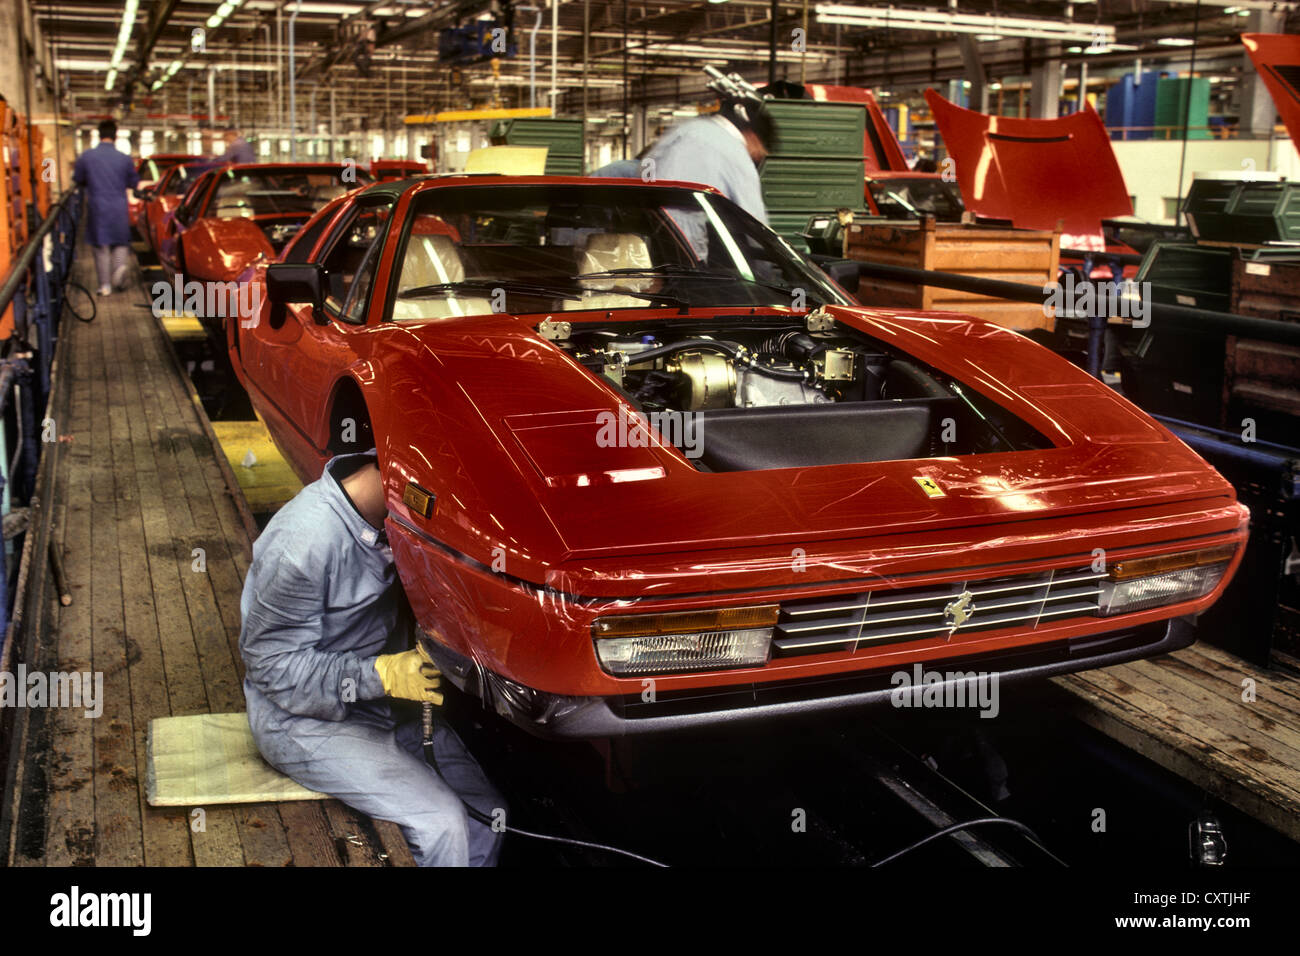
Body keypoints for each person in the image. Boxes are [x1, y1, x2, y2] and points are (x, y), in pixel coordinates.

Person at [239, 450, 505, 867]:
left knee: (486, 820)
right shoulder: (304, 541)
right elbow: (271, 667)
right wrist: (379, 674)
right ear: (410, 484)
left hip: (386, 706)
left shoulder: (393, 520)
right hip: (303, 720)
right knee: (441, 825)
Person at [640, 100, 776, 223]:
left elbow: (646, 168)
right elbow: (755, 219)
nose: (756, 157)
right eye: (759, 153)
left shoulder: (687, 128)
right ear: (752, 137)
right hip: (689, 236)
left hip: (654, 225)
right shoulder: (737, 154)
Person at [72, 119, 138, 296]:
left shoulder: (87, 157)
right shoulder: (124, 158)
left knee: (101, 246)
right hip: (118, 206)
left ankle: (105, 285)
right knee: (121, 242)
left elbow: (78, 179)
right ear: (115, 136)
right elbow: (134, 182)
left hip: (97, 207)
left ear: (99, 135)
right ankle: (119, 268)